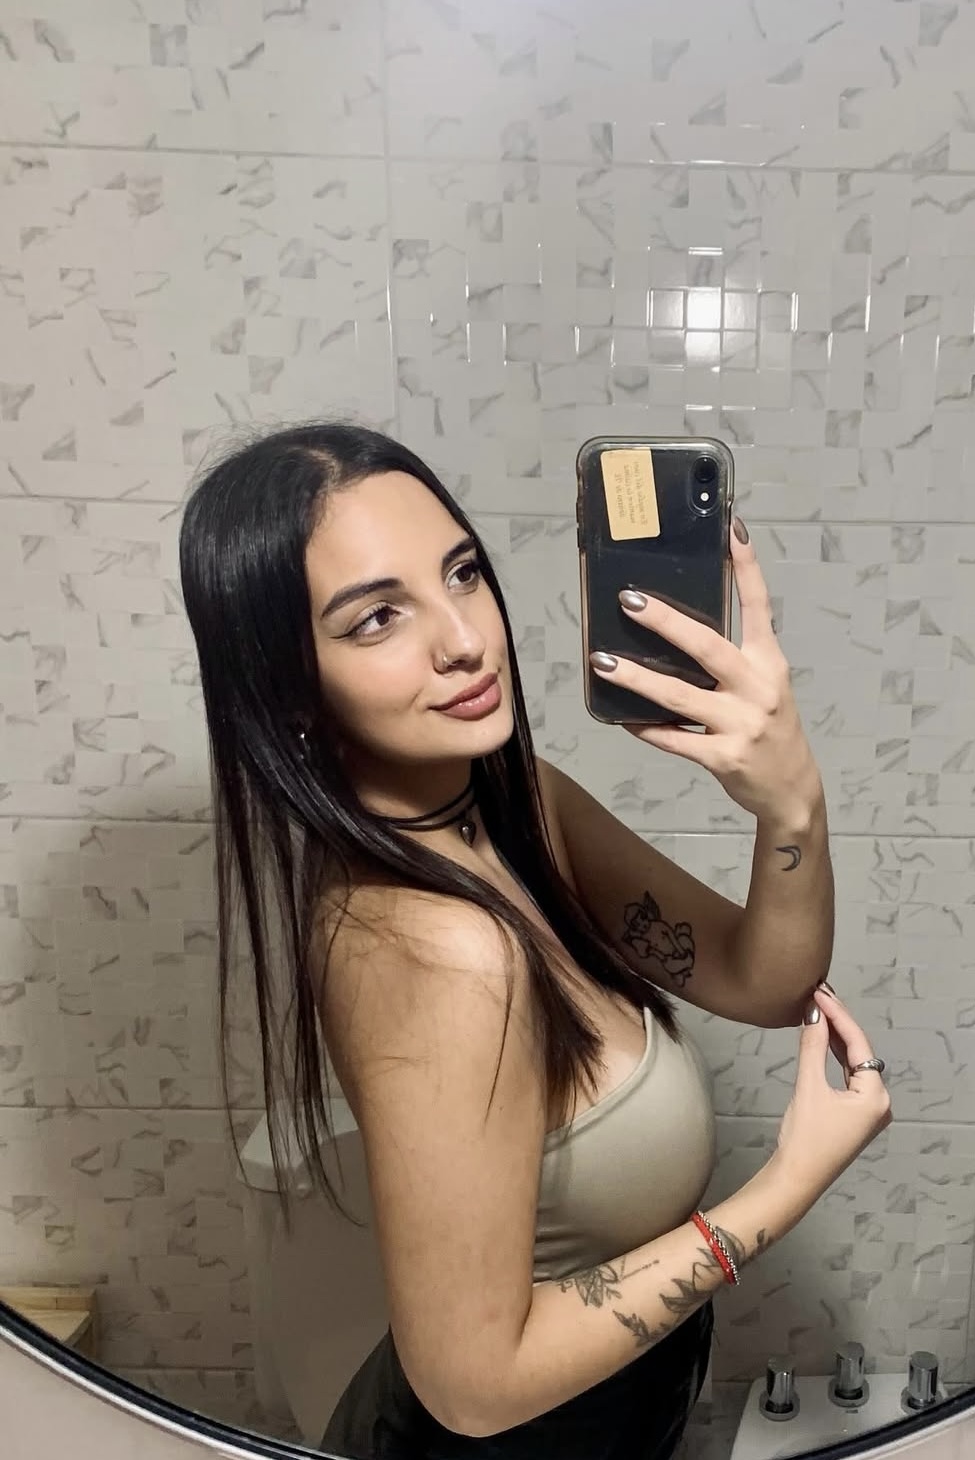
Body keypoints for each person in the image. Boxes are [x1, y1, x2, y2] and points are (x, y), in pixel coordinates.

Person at [178, 422, 891, 1460]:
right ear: (289, 689)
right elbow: (471, 1387)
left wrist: (792, 803)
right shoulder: (438, 954)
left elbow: (763, 979)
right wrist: (782, 1191)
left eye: (461, 573)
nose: (464, 638)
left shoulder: (517, 807)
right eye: (376, 617)